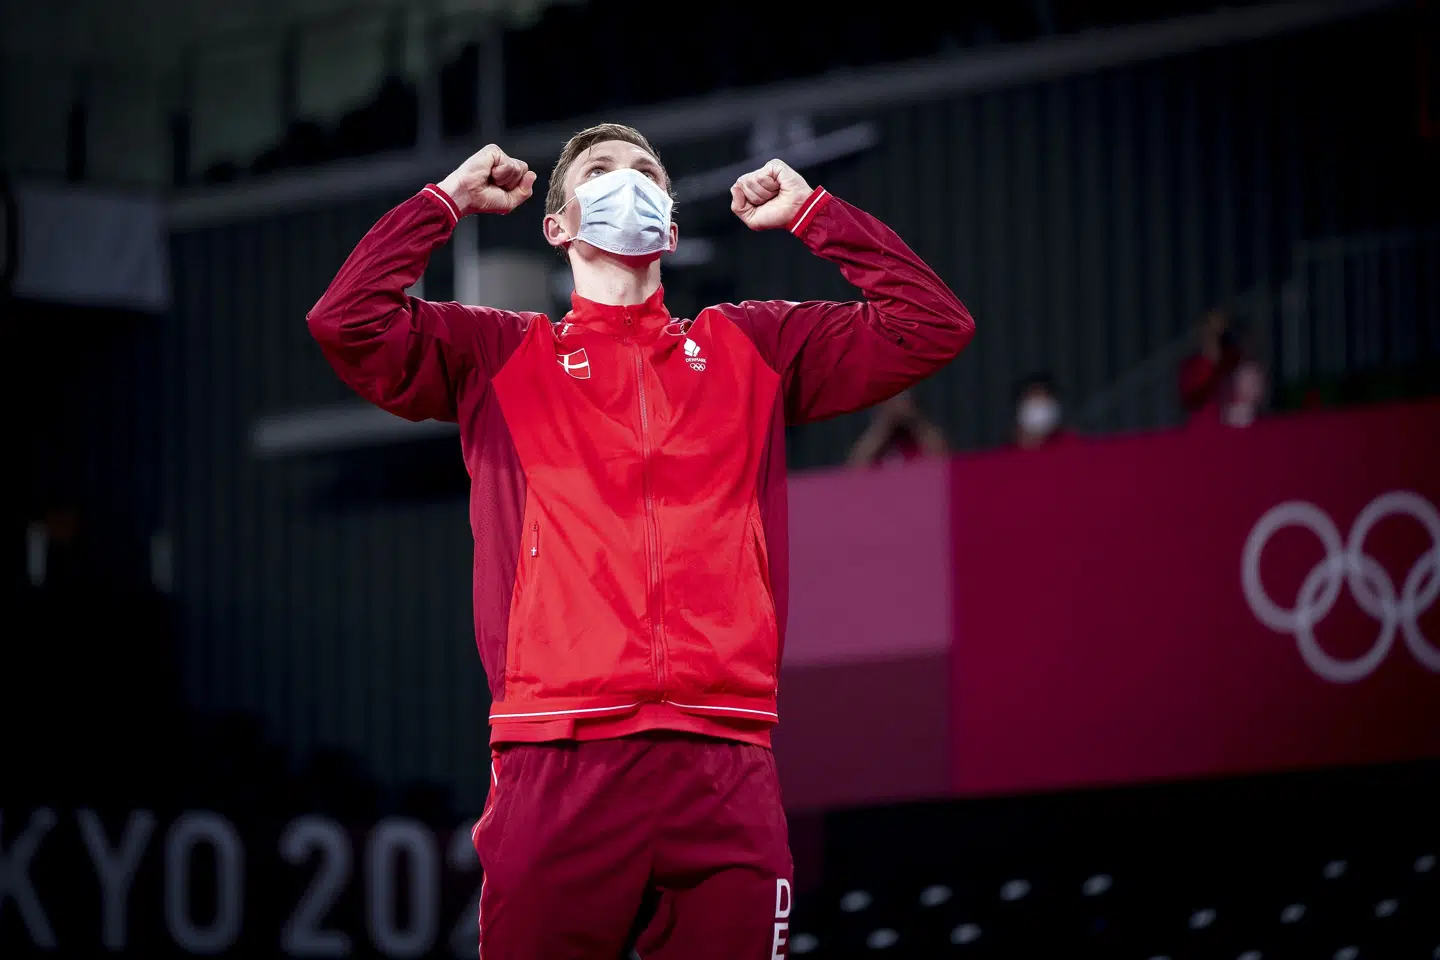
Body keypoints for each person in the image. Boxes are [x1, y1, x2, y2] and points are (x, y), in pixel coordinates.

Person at [307, 124, 974, 959]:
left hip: (725, 762)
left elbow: (931, 326)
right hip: (560, 760)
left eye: (647, 173)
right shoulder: (501, 355)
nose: (628, 182)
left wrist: (817, 215)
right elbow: (347, 322)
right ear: (557, 225)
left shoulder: (751, 346)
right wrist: (444, 204)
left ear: (672, 221)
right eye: (599, 170)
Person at [846, 389, 948, 467]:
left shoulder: (921, 435)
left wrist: (914, 421)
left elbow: (942, 457)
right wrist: (884, 422)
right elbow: (856, 467)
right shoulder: (877, 441)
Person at [1178, 307, 1242, 416]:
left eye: (1220, 325)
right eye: (1210, 325)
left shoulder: (1234, 359)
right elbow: (1189, 400)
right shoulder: (1190, 366)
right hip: (1204, 422)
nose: (1214, 331)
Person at [1012, 373, 1071, 450]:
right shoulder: (999, 458)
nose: (1040, 409)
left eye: (1045, 401)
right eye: (1034, 401)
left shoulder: (1081, 451)